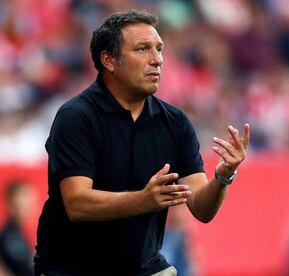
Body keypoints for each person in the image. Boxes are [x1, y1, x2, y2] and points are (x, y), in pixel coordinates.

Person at [34, 9, 249, 276]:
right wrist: (144, 200)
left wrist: (223, 176)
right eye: (142, 50)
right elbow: (77, 204)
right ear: (109, 60)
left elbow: (202, 210)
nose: (157, 60)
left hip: (144, 267)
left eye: (159, 49)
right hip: (71, 269)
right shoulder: (76, 117)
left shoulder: (175, 122)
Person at [0, 180, 35, 276]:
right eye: (21, 206)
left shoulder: (22, 234)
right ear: (10, 204)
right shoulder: (8, 237)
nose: (27, 207)